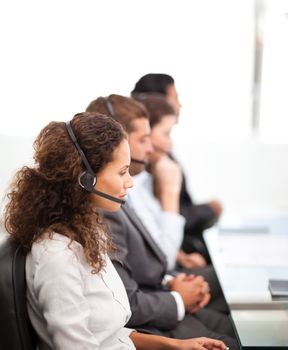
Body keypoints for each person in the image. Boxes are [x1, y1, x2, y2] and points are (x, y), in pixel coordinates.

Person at [3, 112, 228, 350]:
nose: (130, 181)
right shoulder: (56, 257)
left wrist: (175, 345)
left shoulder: (88, 231)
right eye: (122, 172)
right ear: (85, 179)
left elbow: (110, 334)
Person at [86, 96, 239, 350]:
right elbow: (125, 302)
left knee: (236, 330)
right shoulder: (107, 207)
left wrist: (172, 284)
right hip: (153, 318)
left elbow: (146, 260)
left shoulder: (125, 194)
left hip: (163, 293)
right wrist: (178, 296)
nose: (154, 148)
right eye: (143, 140)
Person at [131, 73, 223, 257]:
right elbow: (164, 254)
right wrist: (208, 210)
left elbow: (154, 234)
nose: (179, 105)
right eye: (175, 98)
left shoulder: (154, 166)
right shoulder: (136, 181)